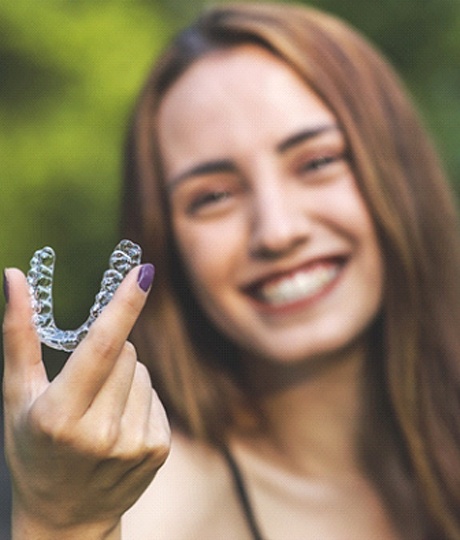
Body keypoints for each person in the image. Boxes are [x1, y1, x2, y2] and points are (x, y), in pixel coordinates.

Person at [3, 3, 460, 539]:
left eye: (316, 162)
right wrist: (62, 524)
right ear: (167, 245)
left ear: (398, 172)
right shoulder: (151, 510)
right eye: (213, 196)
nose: (277, 230)